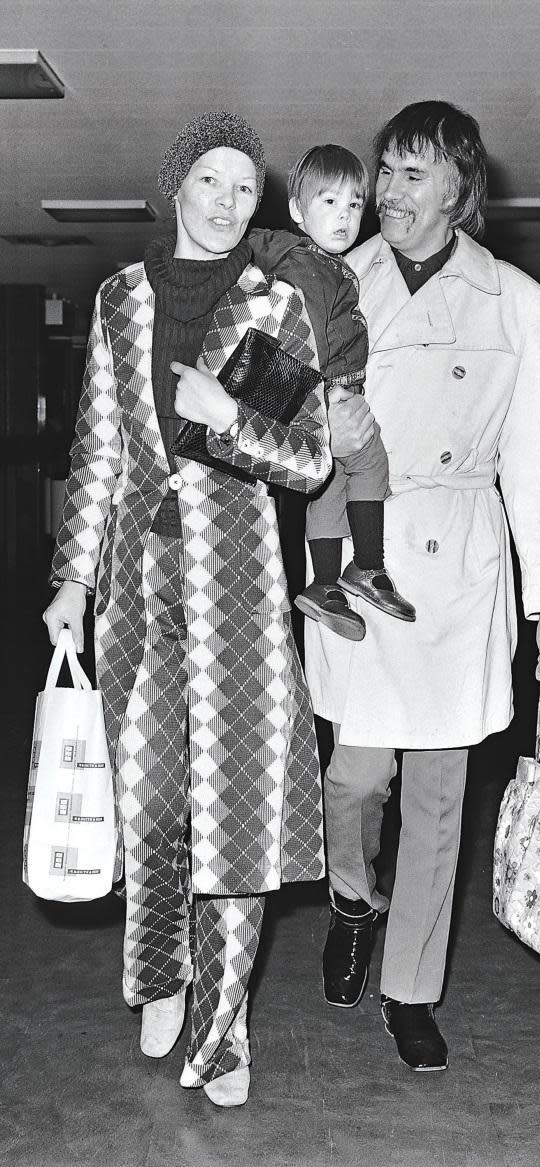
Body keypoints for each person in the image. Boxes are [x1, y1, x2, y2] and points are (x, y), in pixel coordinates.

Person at [42, 111, 332, 1107]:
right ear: (176, 186)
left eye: (245, 187)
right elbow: (99, 454)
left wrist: (230, 419)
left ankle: (225, 1026)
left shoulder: (271, 308)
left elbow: (305, 459)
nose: (226, 199)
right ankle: (162, 972)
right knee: (152, 802)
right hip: (134, 590)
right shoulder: (120, 299)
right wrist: (73, 583)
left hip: (237, 592)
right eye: (210, 179)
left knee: (236, 816)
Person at [303, 100, 540, 1072]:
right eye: (383, 170)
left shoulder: (514, 303)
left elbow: (534, 464)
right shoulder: (336, 284)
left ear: (461, 189)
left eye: (413, 173)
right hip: (362, 550)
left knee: (437, 798)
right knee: (354, 775)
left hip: (458, 564)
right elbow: (273, 402)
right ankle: (347, 896)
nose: (389, 190)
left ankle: (409, 990)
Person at [250, 145, 415, 642]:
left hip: (327, 393)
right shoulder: (299, 258)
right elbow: (247, 244)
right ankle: (366, 564)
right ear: (298, 210)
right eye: (329, 203)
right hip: (321, 393)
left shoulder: (336, 266)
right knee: (371, 460)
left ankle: (323, 584)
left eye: (354, 205)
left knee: (330, 483)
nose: (344, 217)